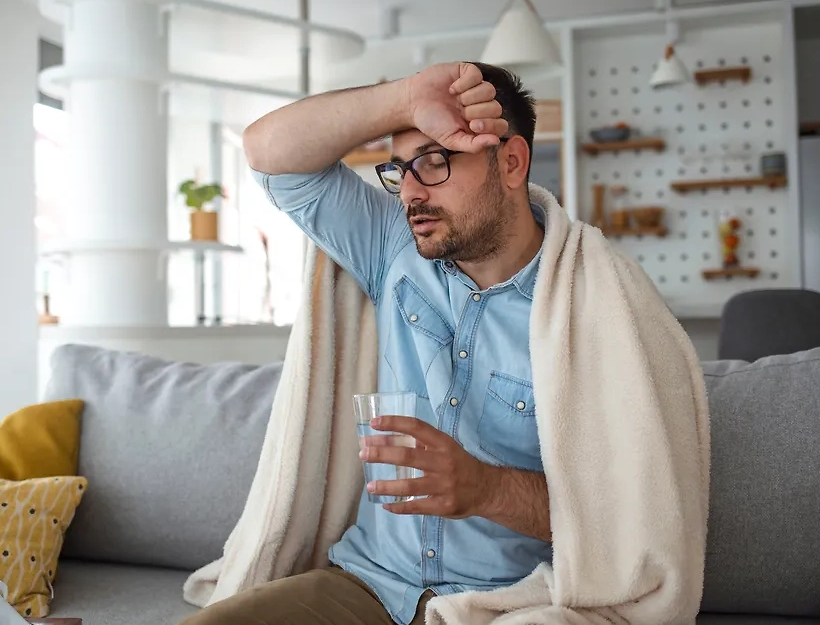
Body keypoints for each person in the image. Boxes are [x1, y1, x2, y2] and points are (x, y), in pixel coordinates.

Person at [183, 61, 561, 625]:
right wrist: (405, 99)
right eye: (399, 169)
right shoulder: (393, 245)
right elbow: (267, 151)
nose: (410, 191)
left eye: (433, 161)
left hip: (511, 603)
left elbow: (627, 518)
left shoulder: (583, 310)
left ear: (511, 162)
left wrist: (486, 488)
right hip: (370, 585)